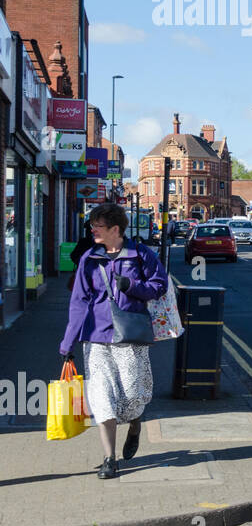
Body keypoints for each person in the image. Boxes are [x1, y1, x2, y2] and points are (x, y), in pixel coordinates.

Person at [58, 203, 169, 480]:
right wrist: (67, 341)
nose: (92, 229)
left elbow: (160, 285)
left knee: (133, 394)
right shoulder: (90, 258)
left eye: (98, 225)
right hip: (96, 336)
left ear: (115, 229)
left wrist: (132, 287)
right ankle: (110, 458)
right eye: (93, 225)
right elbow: (79, 301)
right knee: (102, 398)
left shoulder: (141, 254)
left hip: (130, 335)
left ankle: (134, 422)